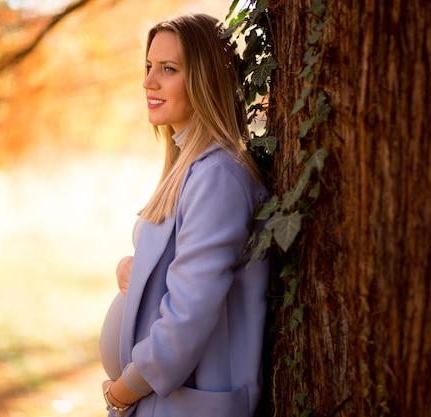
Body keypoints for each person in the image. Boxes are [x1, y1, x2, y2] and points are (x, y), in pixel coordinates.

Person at [98, 13, 270, 417]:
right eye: (148, 67)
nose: (148, 82)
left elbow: (187, 318)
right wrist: (133, 271)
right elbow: (176, 269)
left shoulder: (218, 178)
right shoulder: (189, 165)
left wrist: (122, 393)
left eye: (168, 69)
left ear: (205, 79)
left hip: (182, 404)